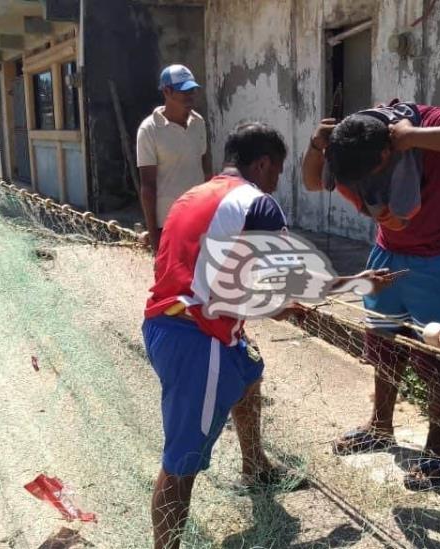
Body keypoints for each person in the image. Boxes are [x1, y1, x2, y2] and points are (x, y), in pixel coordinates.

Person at [143, 122, 394, 549]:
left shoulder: (196, 194)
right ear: (262, 164)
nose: (278, 181)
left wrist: (273, 306)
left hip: (168, 322)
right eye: (277, 170)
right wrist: (358, 283)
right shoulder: (257, 203)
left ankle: (255, 465)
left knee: (249, 371)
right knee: (181, 463)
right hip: (196, 339)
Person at [302, 101, 440, 481]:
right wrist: (315, 143)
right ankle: (380, 426)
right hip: (388, 251)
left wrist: (415, 138)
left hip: (439, 256)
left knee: (437, 351)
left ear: (389, 151)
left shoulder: (427, 122)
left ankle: (437, 449)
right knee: (383, 338)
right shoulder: (351, 137)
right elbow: (312, 181)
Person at [137, 64, 210, 253]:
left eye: (192, 90)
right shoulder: (149, 130)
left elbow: (205, 169)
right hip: (168, 224)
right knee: (170, 280)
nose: (190, 96)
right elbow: (148, 187)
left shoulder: (198, 123)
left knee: (199, 278)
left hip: (197, 219)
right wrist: (154, 237)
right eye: (184, 91)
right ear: (167, 91)